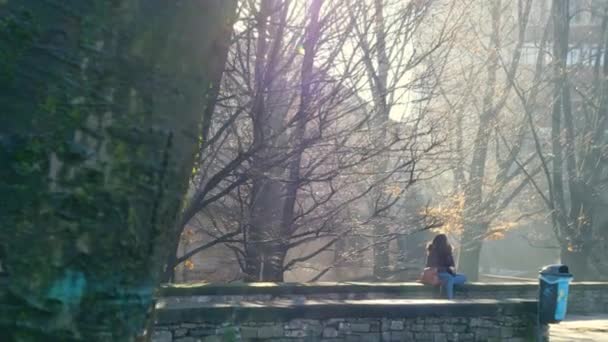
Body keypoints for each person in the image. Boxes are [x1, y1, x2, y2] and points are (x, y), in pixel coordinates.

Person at [426, 234, 466, 299]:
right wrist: (446, 269)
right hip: (437, 274)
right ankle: (449, 298)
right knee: (449, 279)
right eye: (446, 241)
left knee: (463, 277)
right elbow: (431, 266)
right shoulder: (433, 252)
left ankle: (446, 286)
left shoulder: (448, 251)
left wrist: (451, 269)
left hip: (448, 274)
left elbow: (452, 265)